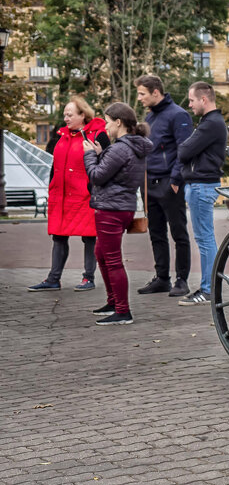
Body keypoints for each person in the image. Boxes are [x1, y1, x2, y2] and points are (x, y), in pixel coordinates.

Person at [28, 97, 110, 293]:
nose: (65, 118)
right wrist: (51, 188)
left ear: (83, 115)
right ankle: (53, 279)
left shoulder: (98, 135)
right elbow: (54, 167)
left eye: (70, 114)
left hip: (86, 195)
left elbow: (107, 165)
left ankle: (88, 278)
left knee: (89, 236)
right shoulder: (60, 136)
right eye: (64, 114)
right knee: (59, 236)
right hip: (62, 195)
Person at [82, 102, 153, 326]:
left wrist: (89, 156)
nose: (105, 126)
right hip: (122, 206)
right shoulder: (129, 147)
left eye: (108, 121)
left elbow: (97, 176)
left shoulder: (120, 148)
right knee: (101, 254)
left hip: (111, 209)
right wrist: (101, 154)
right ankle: (113, 302)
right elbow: (115, 171)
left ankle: (123, 310)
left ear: (119, 122)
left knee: (112, 260)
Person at [135, 74, 193, 297]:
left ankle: (182, 280)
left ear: (155, 92)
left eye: (142, 94)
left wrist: (176, 181)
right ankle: (162, 279)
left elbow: (184, 150)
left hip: (169, 183)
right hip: (148, 184)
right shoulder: (150, 117)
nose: (139, 98)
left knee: (179, 233)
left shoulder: (179, 115)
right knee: (156, 233)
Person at [176, 81, 226, 306]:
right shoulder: (210, 122)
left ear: (203, 100)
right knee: (205, 238)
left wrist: (185, 148)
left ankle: (208, 290)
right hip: (201, 184)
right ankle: (209, 287)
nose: (189, 104)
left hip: (201, 186)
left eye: (192, 100)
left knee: (205, 240)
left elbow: (184, 150)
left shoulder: (211, 123)